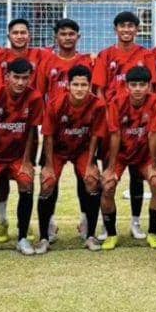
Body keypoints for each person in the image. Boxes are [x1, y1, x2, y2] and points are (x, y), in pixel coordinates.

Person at [0, 58, 44, 257]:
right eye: (16, 77)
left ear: (30, 78)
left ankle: (22, 238)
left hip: (18, 156)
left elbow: (32, 130)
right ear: (7, 77)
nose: (20, 82)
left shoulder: (35, 97)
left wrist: (28, 161)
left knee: (27, 183)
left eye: (25, 78)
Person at [37, 65, 106, 253]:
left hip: (82, 149)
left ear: (90, 85)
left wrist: (91, 163)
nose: (80, 89)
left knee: (92, 180)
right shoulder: (55, 103)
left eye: (84, 85)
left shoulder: (98, 105)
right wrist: (49, 166)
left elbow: (95, 136)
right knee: (47, 182)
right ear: (68, 85)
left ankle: (90, 235)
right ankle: (44, 236)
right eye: (76, 84)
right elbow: (48, 136)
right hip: (57, 150)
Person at [100, 66, 156, 250]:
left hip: (145, 154)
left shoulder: (155, 102)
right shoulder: (116, 103)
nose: (138, 88)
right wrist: (111, 168)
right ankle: (111, 234)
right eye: (134, 84)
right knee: (107, 185)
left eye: (142, 85)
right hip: (121, 154)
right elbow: (115, 136)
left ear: (148, 87)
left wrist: (154, 165)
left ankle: (153, 233)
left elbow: (153, 134)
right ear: (127, 86)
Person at [0, 18, 45, 244]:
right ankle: (2, 220)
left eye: (24, 32)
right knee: (0, 179)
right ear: (9, 36)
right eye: (16, 32)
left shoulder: (41, 55)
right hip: (3, 124)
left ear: (29, 35)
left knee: (27, 177)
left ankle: (28, 222)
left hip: (28, 124)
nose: (20, 36)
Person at [93, 10, 156, 101]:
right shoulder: (104, 55)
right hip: (113, 110)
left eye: (130, 26)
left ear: (136, 29)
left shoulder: (146, 55)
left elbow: (150, 87)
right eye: (122, 26)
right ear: (115, 29)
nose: (126, 30)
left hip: (137, 111)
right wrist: (105, 112)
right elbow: (99, 90)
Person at [37, 18, 94, 104]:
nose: (67, 38)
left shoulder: (89, 62)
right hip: (55, 115)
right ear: (56, 37)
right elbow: (40, 95)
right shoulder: (46, 63)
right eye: (63, 34)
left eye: (71, 34)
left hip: (81, 115)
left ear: (78, 36)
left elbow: (94, 93)